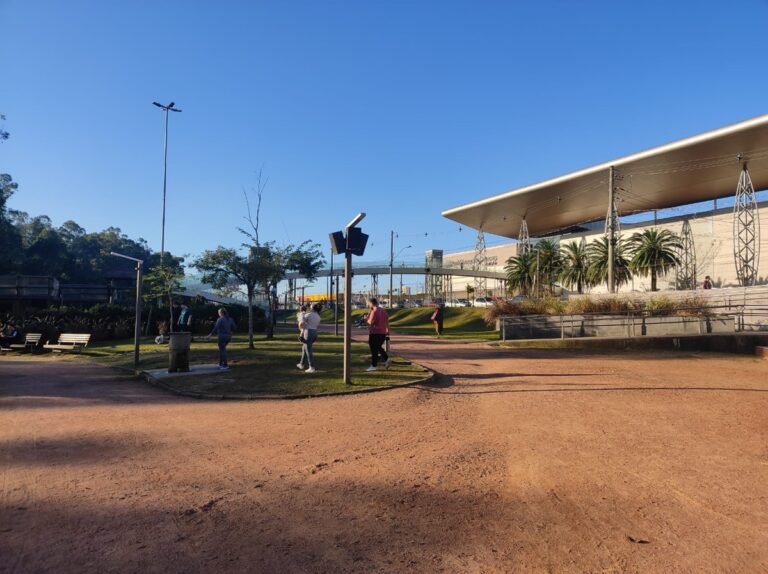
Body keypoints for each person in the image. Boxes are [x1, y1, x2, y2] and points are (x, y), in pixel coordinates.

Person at [366, 297, 390, 372]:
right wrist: (388, 331)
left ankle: (374, 365)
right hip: (382, 333)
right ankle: (387, 359)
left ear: (371, 303)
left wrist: (367, 319)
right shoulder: (383, 311)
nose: (368, 305)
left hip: (375, 333)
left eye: (369, 304)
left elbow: (371, 322)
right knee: (378, 347)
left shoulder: (374, 311)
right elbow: (387, 322)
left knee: (374, 349)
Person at [296, 303, 321, 374]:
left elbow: (301, 324)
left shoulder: (308, 314)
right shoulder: (318, 316)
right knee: (305, 347)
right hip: (314, 332)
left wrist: (301, 332)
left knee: (308, 349)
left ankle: (311, 367)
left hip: (308, 332)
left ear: (312, 308)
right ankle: (301, 364)